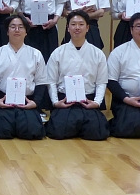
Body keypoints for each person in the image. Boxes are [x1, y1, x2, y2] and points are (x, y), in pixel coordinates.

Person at [45, 11, 109, 141]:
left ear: (87, 28)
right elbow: (51, 81)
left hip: (88, 101)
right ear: (68, 28)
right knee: (57, 132)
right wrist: (56, 102)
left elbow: (101, 82)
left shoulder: (97, 53)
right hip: (65, 101)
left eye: (81, 24)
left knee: (98, 133)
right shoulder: (58, 52)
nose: (77, 28)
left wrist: (97, 102)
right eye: (73, 24)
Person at [0, 14, 48, 140]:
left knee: (32, 132)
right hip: (4, 101)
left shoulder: (35, 54)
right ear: (7, 31)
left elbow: (41, 81)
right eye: (13, 27)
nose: (17, 30)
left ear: (26, 32)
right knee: (2, 132)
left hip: (27, 101)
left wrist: (35, 103)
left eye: (21, 27)